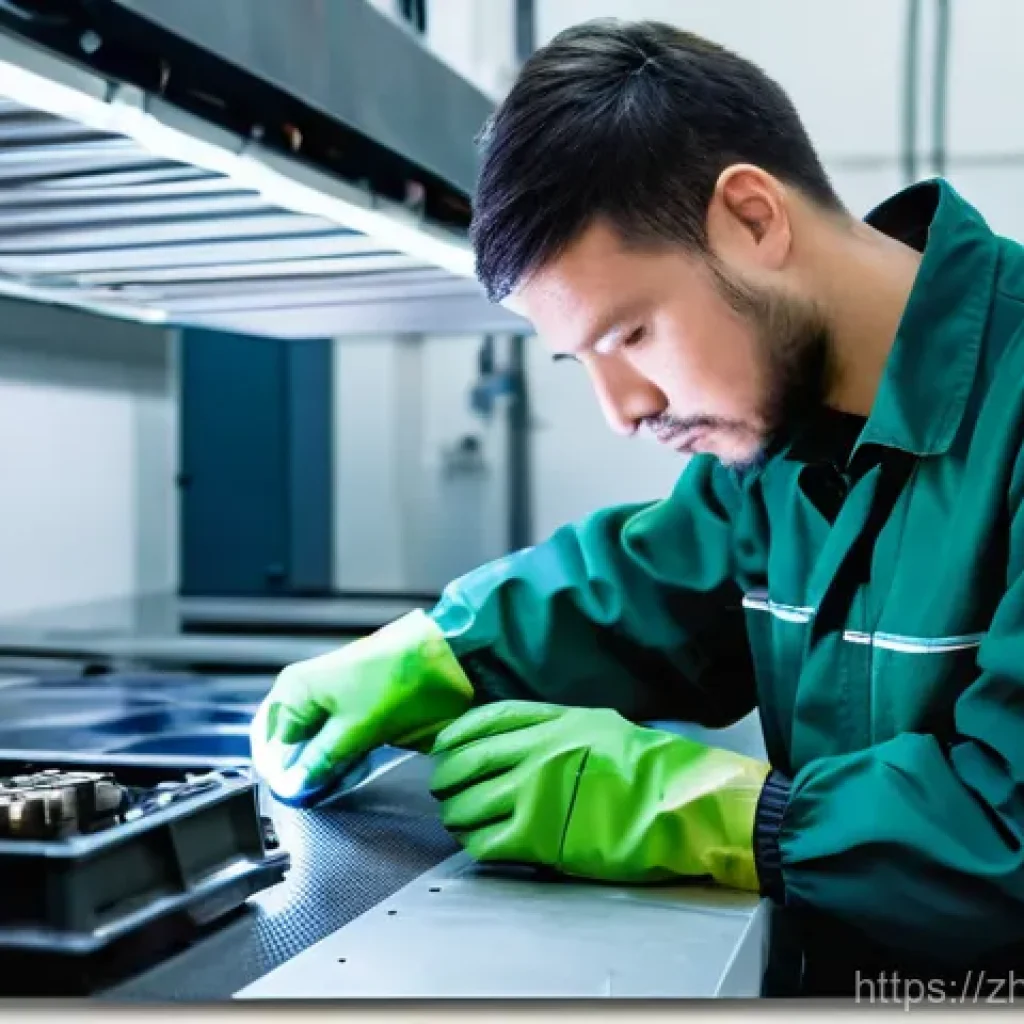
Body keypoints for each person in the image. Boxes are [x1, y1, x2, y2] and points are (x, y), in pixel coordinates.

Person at [250, 18, 1024, 995]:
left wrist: (714, 811)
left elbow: (1011, 832)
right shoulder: (776, 441)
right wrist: (442, 651)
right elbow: (652, 591)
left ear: (752, 217)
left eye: (633, 334)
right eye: (586, 361)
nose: (622, 412)